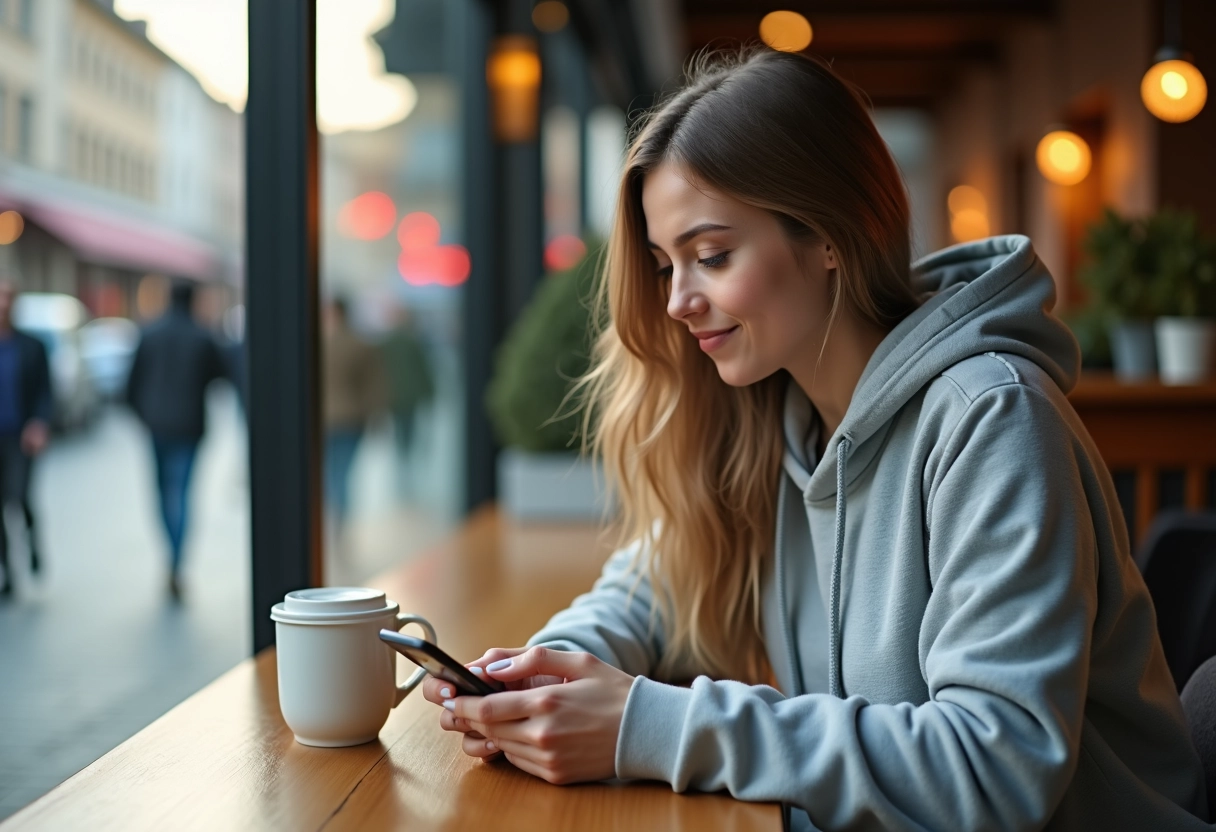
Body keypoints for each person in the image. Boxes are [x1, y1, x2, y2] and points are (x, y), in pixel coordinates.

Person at [422, 48, 1211, 830]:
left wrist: (647, 724)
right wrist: (538, 676)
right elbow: (651, 590)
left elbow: (995, 767)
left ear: (829, 236)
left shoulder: (993, 420)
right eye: (667, 266)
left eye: (713, 256)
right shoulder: (778, 416)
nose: (677, 302)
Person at [126, 280, 227, 600]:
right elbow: (221, 374)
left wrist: (145, 414)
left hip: (157, 426)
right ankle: (177, 559)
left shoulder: (150, 333)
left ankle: (171, 555)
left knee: (161, 492)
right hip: (189, 425)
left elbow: (130, 384)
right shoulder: (202, 336)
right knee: (181, 493)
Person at [0, 280, 51, 596]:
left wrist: (39, 424)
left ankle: (33, 541)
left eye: (7, 297)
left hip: (21, 436)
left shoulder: (32, 345)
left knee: (19, 497)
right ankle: (8, 573)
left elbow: (45, 392)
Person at [322, 297, 386, 534]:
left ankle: (331, 523)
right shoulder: (360, 344)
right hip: (352, 418)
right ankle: (340, 526)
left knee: (330, 475)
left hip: (326, 421)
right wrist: (375, 416)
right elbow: (375, 387)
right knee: (343, 474)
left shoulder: (319, 344)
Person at [380, 303, 434, 491]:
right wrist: (429, 393)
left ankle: (403, 462)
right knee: (408, 429)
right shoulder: (411, 341)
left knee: (401, 429)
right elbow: (423, 369)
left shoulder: (387, 342)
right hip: (409, 394)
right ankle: (406, 461)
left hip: (395, 394)